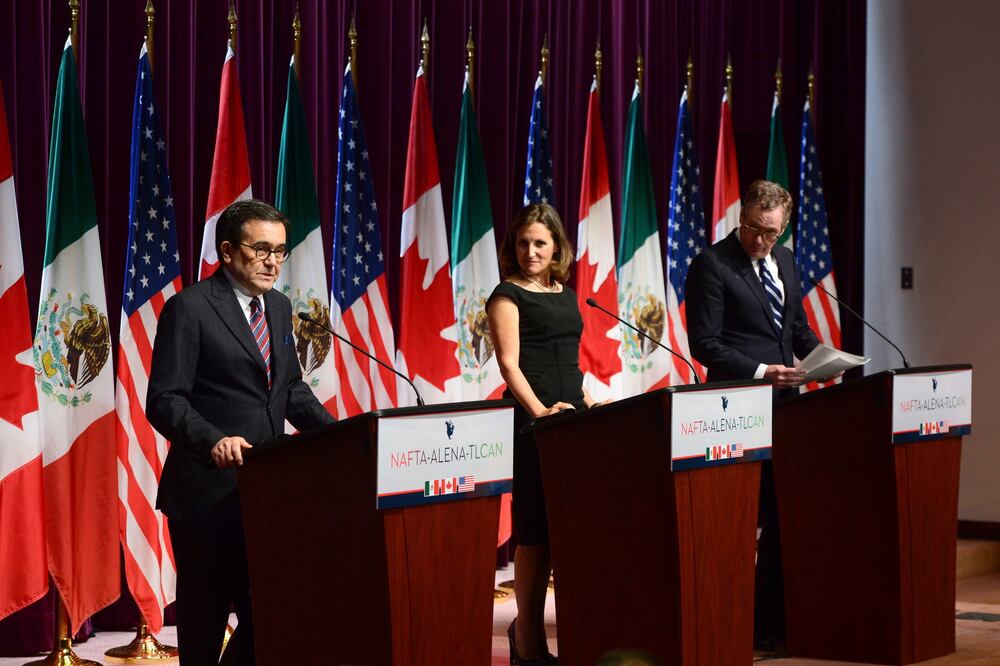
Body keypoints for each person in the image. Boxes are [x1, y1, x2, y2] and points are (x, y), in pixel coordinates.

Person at [147, 200, 335, 665]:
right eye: (262, 249)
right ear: (228, 251)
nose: (273, 261)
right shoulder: (189, 308)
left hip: (266, 492)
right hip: (207, 493)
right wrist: (214, 440)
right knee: (205, 622)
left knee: (272, 613)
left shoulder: (279, 306)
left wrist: (342, 436)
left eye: (281, 251)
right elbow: (165, 399)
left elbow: (289, 390)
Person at [684, 179, 823, 649]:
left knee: (784, 513)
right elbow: (705, 343)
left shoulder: (785, 260)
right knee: (737, 518)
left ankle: (771, 624)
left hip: (786, 410)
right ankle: (726, 619)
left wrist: (826, 358)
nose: (761, 240)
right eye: (753, 228)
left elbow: (796, 328)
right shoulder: (712, 264)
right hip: (735, 408)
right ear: (741, 216)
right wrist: (764, 372)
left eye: (771, 232)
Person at [487, 203, 606, 665]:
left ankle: (560, 638)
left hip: (572, 424)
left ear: (557, 246)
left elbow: (568, 363)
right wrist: (540, 415)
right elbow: (510, 365)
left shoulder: (566, 293)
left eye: (540, 242)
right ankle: (528, 638)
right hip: (533, 425)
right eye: (523, 243)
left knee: (566, 535)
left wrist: (590, 402)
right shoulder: (507, 294)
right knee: (536, 535)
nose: (530, 251)